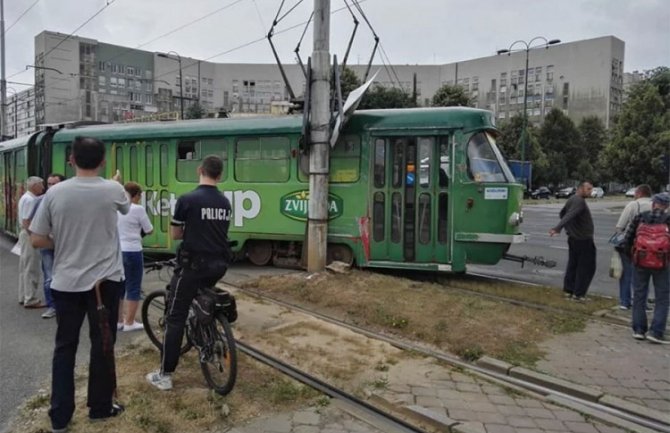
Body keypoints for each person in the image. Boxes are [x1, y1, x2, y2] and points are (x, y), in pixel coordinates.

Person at [30, 136, 130, 432]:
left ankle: (60, 417)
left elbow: (37, 239)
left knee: (65, 348)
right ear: (103, 161)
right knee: (102, 345)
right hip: (105, 283)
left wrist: (62, 241)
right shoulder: (114, 189)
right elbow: (125, 208)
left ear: (71, 160)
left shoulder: (54, 193)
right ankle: (100, 408)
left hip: (66, 283)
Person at [146, 155, 232, 391]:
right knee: (200, 295)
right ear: (220, 174)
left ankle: (165, 375)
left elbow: (175, 235)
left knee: (175, 317)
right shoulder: (225, 202)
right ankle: (205, 333)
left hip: (193, 266)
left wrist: (191, 230)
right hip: (219, 265)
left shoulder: (187, 199)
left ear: (199, 170)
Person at [622, 192, 670, 344]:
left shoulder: (640, 216)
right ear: (667, 206)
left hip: (640, 262)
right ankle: (656, 332)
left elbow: (627, 239)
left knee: (639, 295)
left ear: (653, 203)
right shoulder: (668, 220)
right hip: (662, 264)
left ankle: (638, 330)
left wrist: (633, 257)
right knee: (662, 298)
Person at [549, 181, 596, 301]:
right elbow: (569, 215)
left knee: (573, 264)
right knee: (586, 266)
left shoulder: (572, 199)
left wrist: (569, 229)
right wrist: (558, 228)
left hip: (574, 238)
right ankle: (579, 294)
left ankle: (569, 290)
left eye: (591, 189)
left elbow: (563, 213)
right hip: (583, 239)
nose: (590, 192)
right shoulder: (579, 201)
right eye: (588, 189)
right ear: (580, 188)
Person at [29, 174, 66, 319]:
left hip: (65, 244)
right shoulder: (40, 201)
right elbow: (30, 222)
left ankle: (67, 305)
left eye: (54, 184)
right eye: (49, 184)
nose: (51, 187)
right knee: (49, 277)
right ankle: (52, 306)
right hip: (47, 244)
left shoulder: (69, 201)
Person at [117, 181, 153, 332]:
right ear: (135, 195)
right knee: (133, 287)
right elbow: (149, 229)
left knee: (119, 286)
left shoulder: (115, 208)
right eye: (140, 195)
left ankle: (118, 321)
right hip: (133, 250)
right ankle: (129, 322)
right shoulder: (138, 209)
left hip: (117, 251)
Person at [614, 184, 652, 310]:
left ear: (639, 193)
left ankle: (625, 302)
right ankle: (642, 302)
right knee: (644, 276)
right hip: (650, 246)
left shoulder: (633, 205)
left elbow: (620, 226)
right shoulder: (655, 205)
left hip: (631, 244)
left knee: (627, 273)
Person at [18, 176, 45, 308]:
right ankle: (31, 298)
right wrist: (34, 236)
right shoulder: (30, 200)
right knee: (31, 267)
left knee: (24, 266)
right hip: (29, 235)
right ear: (34, 186)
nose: (43, 187)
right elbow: (26, 221)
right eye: (41, 185)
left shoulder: (25, 197)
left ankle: (23, 295)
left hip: (24, 234)